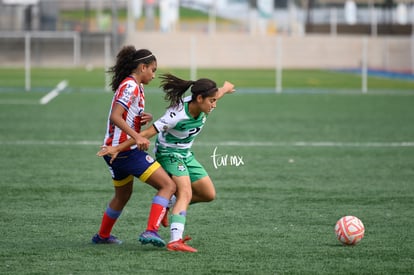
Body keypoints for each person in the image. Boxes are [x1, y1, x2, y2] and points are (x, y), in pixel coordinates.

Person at [98, 73, 235, 252]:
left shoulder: (204, 103)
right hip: (169, 153)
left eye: (215, 100)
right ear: (199, 98)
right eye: (212, 101)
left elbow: (218, 93)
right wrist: (118, 148)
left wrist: (226, 87)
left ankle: (168, 205)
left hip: (186, 154)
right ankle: (175, 240)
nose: (214, 104)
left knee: (208, 194)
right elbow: (146, 134)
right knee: (185, 192)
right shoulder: (176, 115)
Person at [91, 46, 176, 247]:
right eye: (153, 70)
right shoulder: (130, 86)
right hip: (124, 152)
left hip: (114, 151)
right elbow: (115, 116)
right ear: (142, 67)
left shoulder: (136, 86)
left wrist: (144, 117)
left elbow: (127, 115)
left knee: (122, 195)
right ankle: (151, 231)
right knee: (168, 185)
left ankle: (102, 236)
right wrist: (137, 136)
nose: (154, 75)